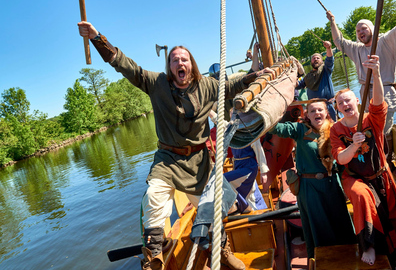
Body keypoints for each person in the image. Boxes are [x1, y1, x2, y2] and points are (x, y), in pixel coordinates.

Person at [78, 21, 274, 270]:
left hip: (199, 163)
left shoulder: (207, 85)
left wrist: (255, 76)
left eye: (184, 59)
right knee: (154, 198)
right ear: (169, 67)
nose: (180, 63)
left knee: (213, 211)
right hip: (167, 160)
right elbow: (125, 65)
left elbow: (232, 86)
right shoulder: (157, 84)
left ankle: (222, 252)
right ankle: (155, 258)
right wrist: (97, 38)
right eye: (175, 60)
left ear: (191, 64)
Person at [330, 55, 396, 266]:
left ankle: (395, 253)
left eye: (348, 100)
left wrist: (377, 74)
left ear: (357, 102)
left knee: (391, 216)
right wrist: (353, 145)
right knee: (362, 196)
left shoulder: (371, 119)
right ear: (337, 108)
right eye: (340, 103)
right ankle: (368, 245)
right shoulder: (337, 129)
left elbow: (379, 103)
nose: (345, 104)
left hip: (380, 175)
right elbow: (342, 160)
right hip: (354, 178)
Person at [269, 98, 356, 259]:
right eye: (312, 111)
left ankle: (348, 257)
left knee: (340, 221)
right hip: (309, 189)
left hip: (332, 185)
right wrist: (268, 111)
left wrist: (347, 185)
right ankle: (321, 260)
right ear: (307, 115)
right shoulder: (300, 130)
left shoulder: (335, 130)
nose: (317, 113)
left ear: (326, 113)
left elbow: (344, 159)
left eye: (320, 110)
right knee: (318, 226)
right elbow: (277, 129)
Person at [326, 0, 396, 136]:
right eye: (358, 31)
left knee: (382, 133)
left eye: (364, 28)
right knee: (369, 132)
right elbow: (339, 41)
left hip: (385, 94)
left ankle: (386, 154)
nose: (360, 32)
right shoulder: (356, 49)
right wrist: (332, 22)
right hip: (365, 97)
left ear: (372, 29)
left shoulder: (386, 41)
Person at [296, 41, 336, 121]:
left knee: (332, 127)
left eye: (318, 58)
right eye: (313, 58)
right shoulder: (308, 76)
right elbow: (299, 85)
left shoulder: (326, 70)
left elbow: (330, 60)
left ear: (322, 61)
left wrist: (328, 48)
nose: (315, 59)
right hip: (314, 108)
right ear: (311, 62)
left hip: (327, 106)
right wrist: (293, 76)